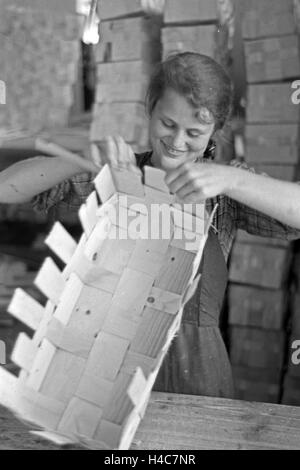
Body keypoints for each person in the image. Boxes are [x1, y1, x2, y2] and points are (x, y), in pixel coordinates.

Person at [1, 52, 300, 398]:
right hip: (110, 363)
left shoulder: (223, 193)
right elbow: (7, 188)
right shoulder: (117, 173)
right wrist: (80, 157)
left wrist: (232, 179)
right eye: (168, 124)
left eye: (194, 132)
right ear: (150, 108)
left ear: (215, 130)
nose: (177, 142)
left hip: (196, 370)